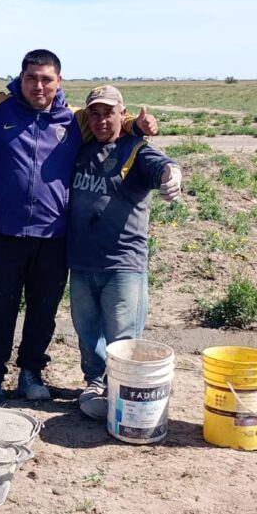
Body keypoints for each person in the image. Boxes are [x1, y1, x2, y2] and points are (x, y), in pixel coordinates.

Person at [0, 50, 159, 408]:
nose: (38, 86)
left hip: (54, 239)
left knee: (43, 313)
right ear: (20, 79)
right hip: (4, 235)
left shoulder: (75, 119)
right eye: (31, 78)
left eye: (46, 79)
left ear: (59, 81)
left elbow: (113, 120)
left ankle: (31, 374)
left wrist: (137, 125)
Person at [66, 86, 180, 419]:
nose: (102, 120)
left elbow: (163, 166)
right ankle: (95, 383)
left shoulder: (136, 150)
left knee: (123, 337)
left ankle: (123, 392)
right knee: (87, 332)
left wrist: (173, 176)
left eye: (109, 113)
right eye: (95, 114)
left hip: (123, 264)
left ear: (122, 114)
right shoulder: (81, 149)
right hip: (82, 262)